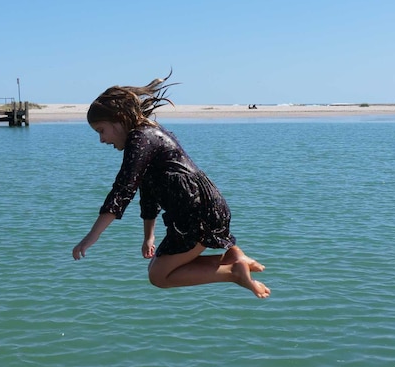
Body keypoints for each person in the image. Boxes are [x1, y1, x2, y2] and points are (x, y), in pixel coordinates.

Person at [72, 73, 270, 298]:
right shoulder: (146, 135)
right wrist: (149, 236)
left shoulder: (141, 138)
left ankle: (233, 271)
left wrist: (92, 235)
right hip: (201, 208)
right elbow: (147, 192)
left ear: (118, 120)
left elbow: (123, 189)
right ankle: (234, 259)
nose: (102, 140)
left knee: (159, 276)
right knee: (157, 270)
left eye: (101, 131)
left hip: (197, 213)